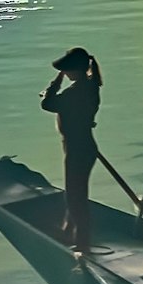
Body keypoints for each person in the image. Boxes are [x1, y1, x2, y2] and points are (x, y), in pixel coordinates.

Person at [41, 47, 103, 246]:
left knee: (76, 198)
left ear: (75, 70)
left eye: (66, 70)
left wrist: (55, 83)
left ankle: (82, 244)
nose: (65, 73)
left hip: (77, 149)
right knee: (74, 193)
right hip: (84, 145)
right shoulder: (91, 86)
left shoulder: (75, 92)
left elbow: (47, 104)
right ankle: (68, 230)